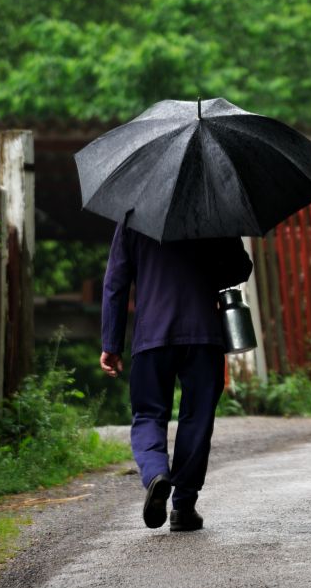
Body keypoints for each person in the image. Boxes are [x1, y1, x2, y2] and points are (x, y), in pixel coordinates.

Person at [99, 214, 253, 532]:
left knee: (148, 415)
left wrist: (111, 343)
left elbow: (116, 281)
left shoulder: (133, 218)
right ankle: (183, 507)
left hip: (152, 334)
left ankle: (157, 473)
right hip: (204, 333)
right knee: (197, 419)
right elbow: (240, 268)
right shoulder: (213, 214)